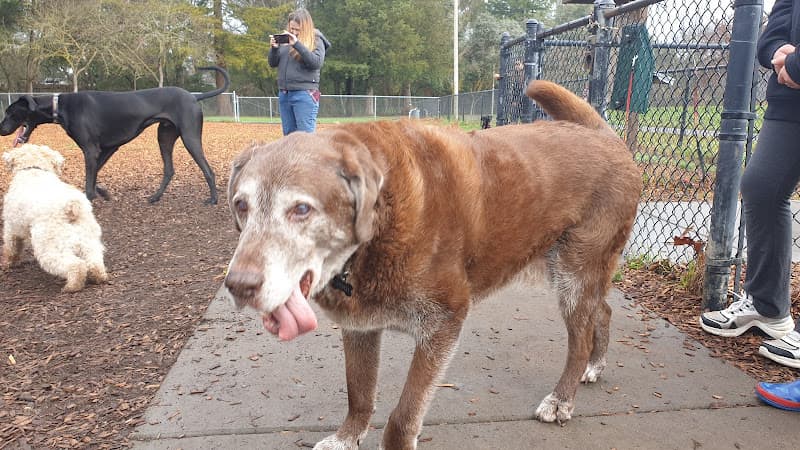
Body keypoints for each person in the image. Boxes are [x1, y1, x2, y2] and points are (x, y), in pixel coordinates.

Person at [699, 0, 800, 410]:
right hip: (789, 99)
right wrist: (778, 53)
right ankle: (767, 307)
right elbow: (771, 35)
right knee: (761, 187)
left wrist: (796, 63)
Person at [268, 8, 331, 135]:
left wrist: (297, 44)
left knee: (305, 139)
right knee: (289, 138)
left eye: (298, 30)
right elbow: (273, 63)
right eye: (292, 28)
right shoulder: (286, 40)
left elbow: (316, 63)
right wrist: (274, 49)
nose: (294, 32)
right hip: (285, 93)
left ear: (306, 27)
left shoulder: (316, 40)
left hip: (304, 94)